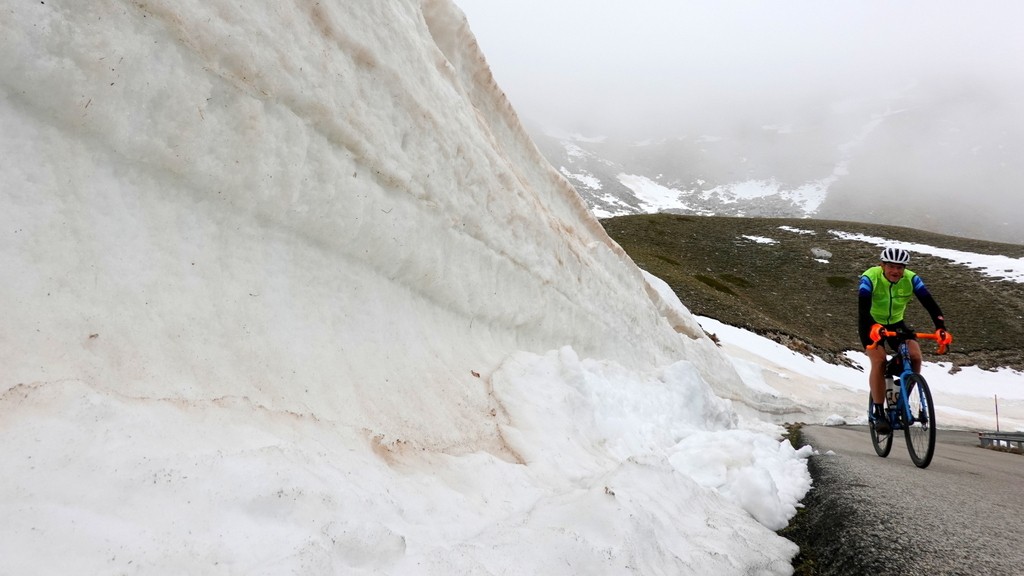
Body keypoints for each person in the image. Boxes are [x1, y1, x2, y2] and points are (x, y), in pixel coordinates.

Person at [858, 247, 947, 434]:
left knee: (915, 356)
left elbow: (929, 303)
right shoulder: (870, 277)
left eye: (900, 267)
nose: (895, 271)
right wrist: (873, 326)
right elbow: (863, 308)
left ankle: (903, 396)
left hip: (896, 323)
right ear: (882, 265)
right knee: (879, 360)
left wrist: (941, 328)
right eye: (891, 266)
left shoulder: (912, 279)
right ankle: (879, 412)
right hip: (870, 323)